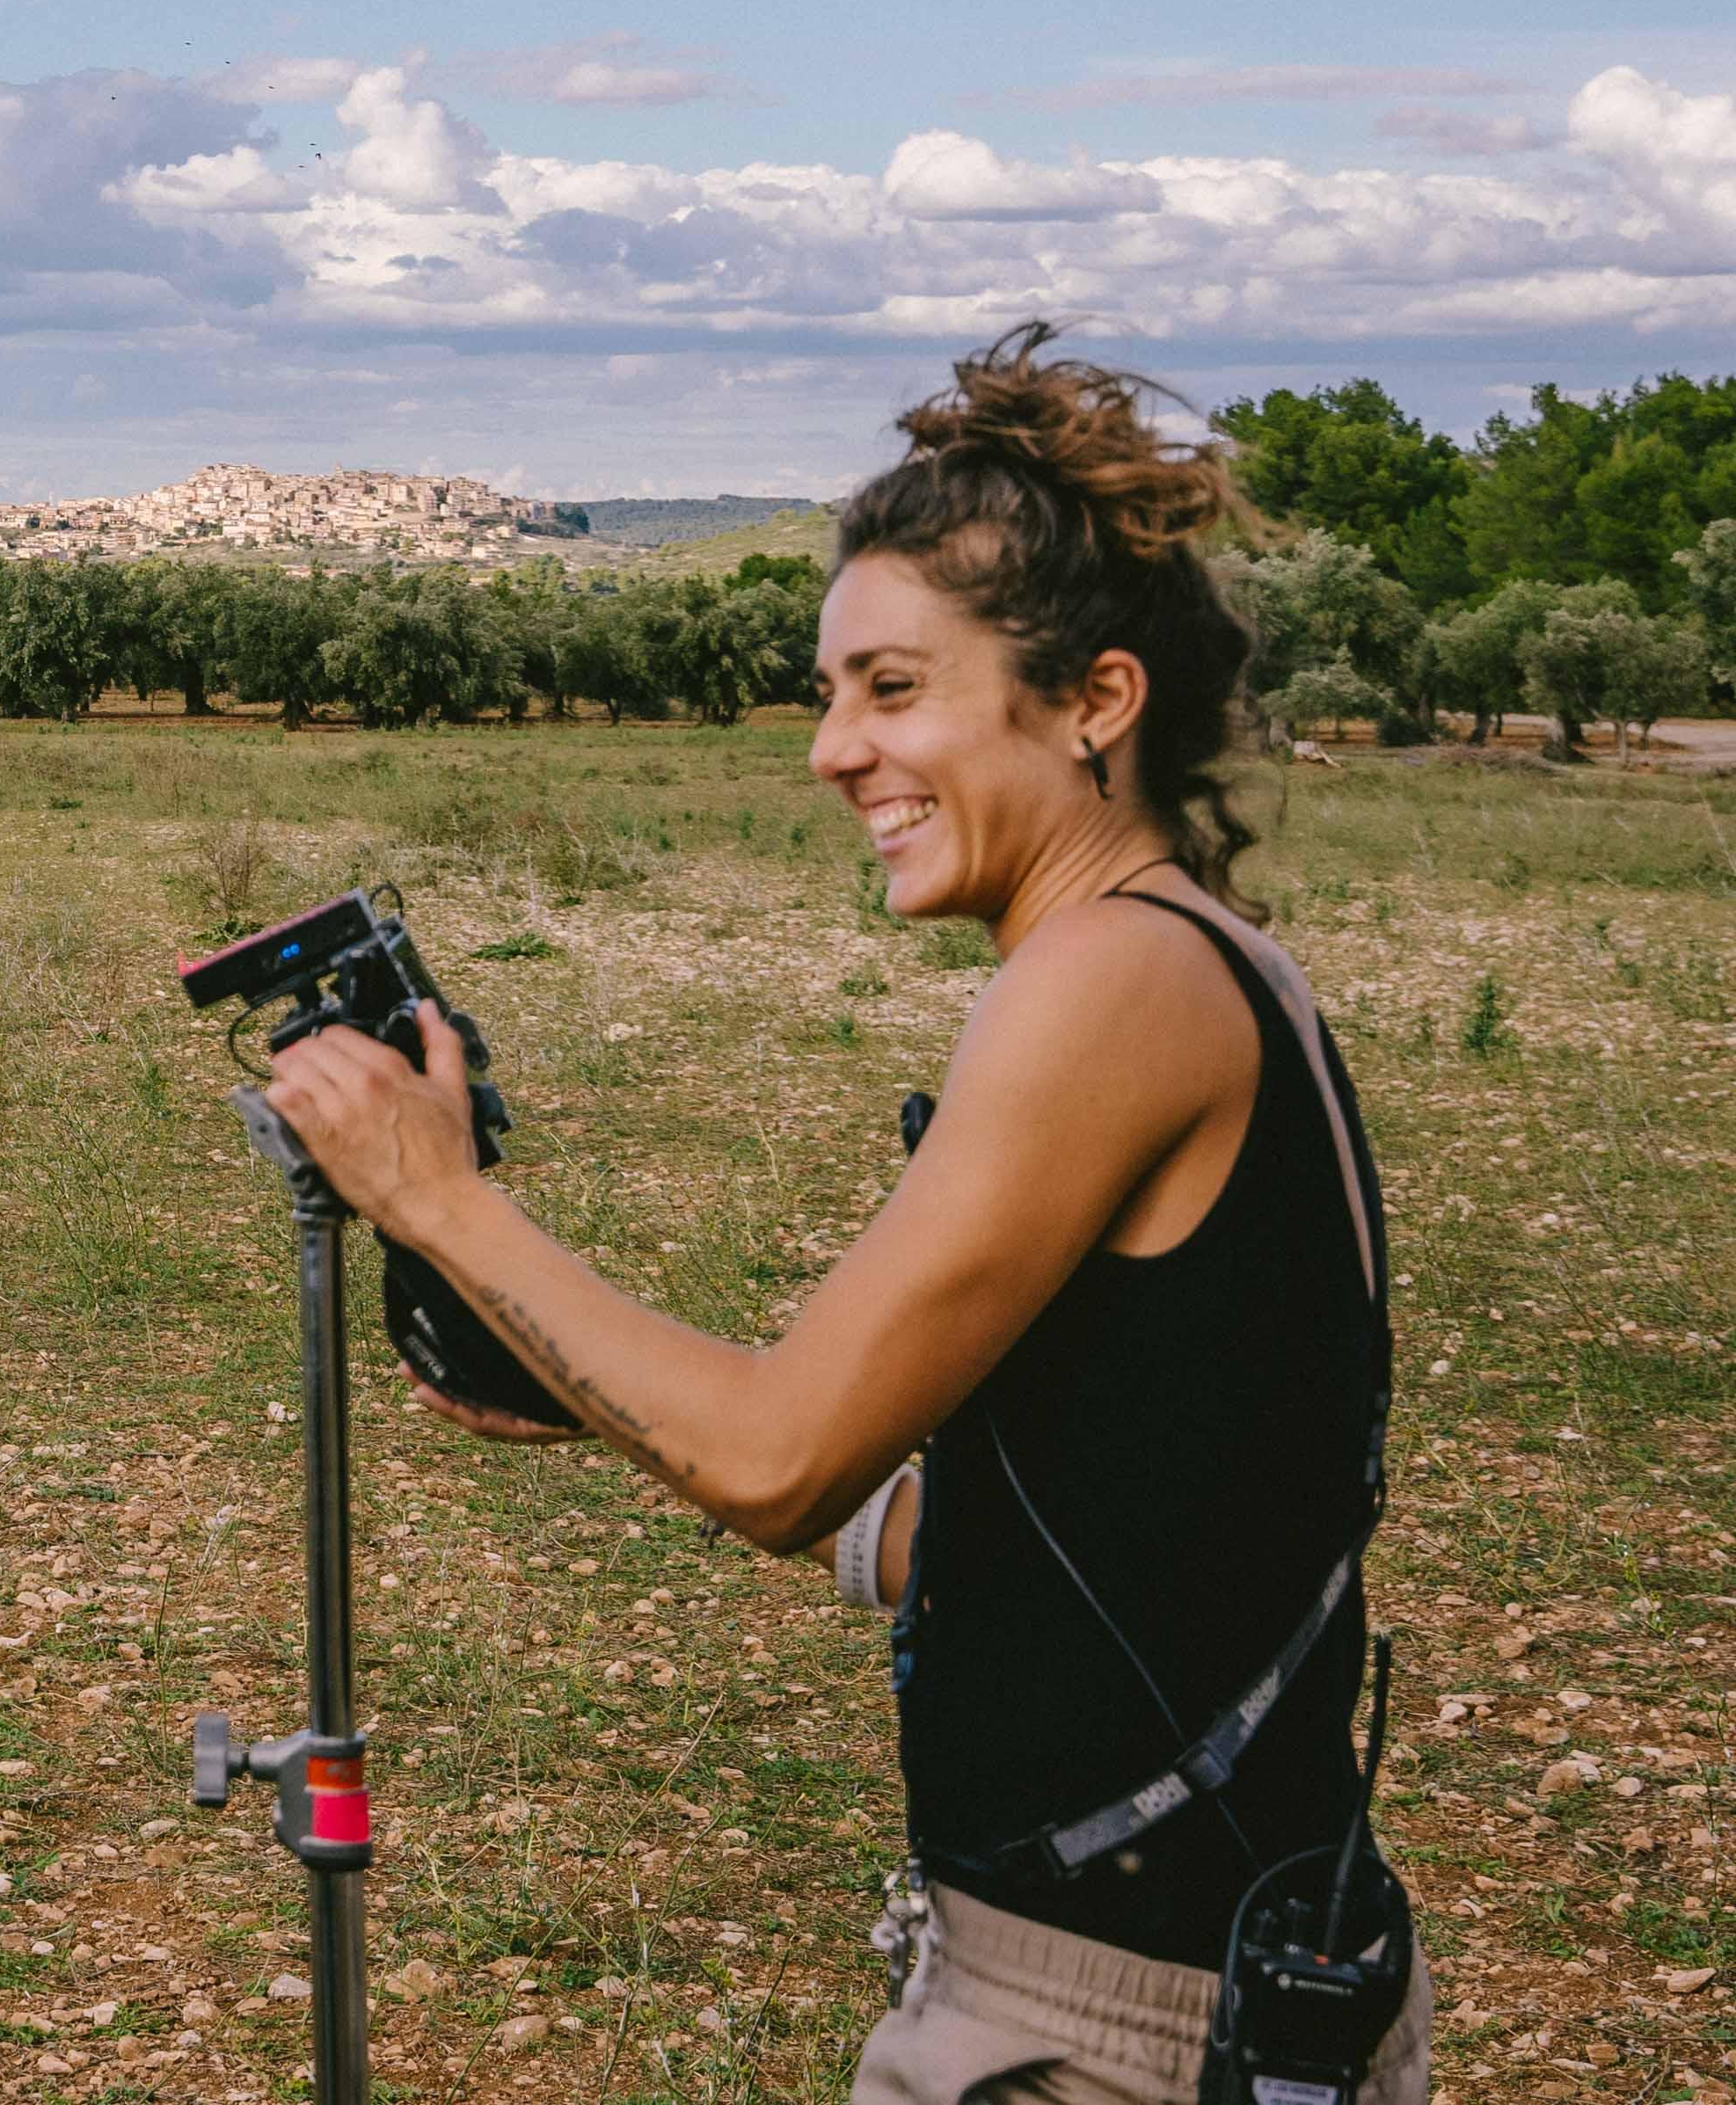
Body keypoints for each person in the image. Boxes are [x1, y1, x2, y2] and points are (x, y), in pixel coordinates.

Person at [259, 327, 1421, 2105]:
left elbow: (783, 1459)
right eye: (828, 692)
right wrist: (586, 1389)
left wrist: (439, 1198)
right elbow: (1070, 1503)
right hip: (1196, 1976)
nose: (828, 749)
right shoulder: (1204, 964)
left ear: (1094, 699)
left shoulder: (1110, 980)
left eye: (889, 688)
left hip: (1110, 2028)